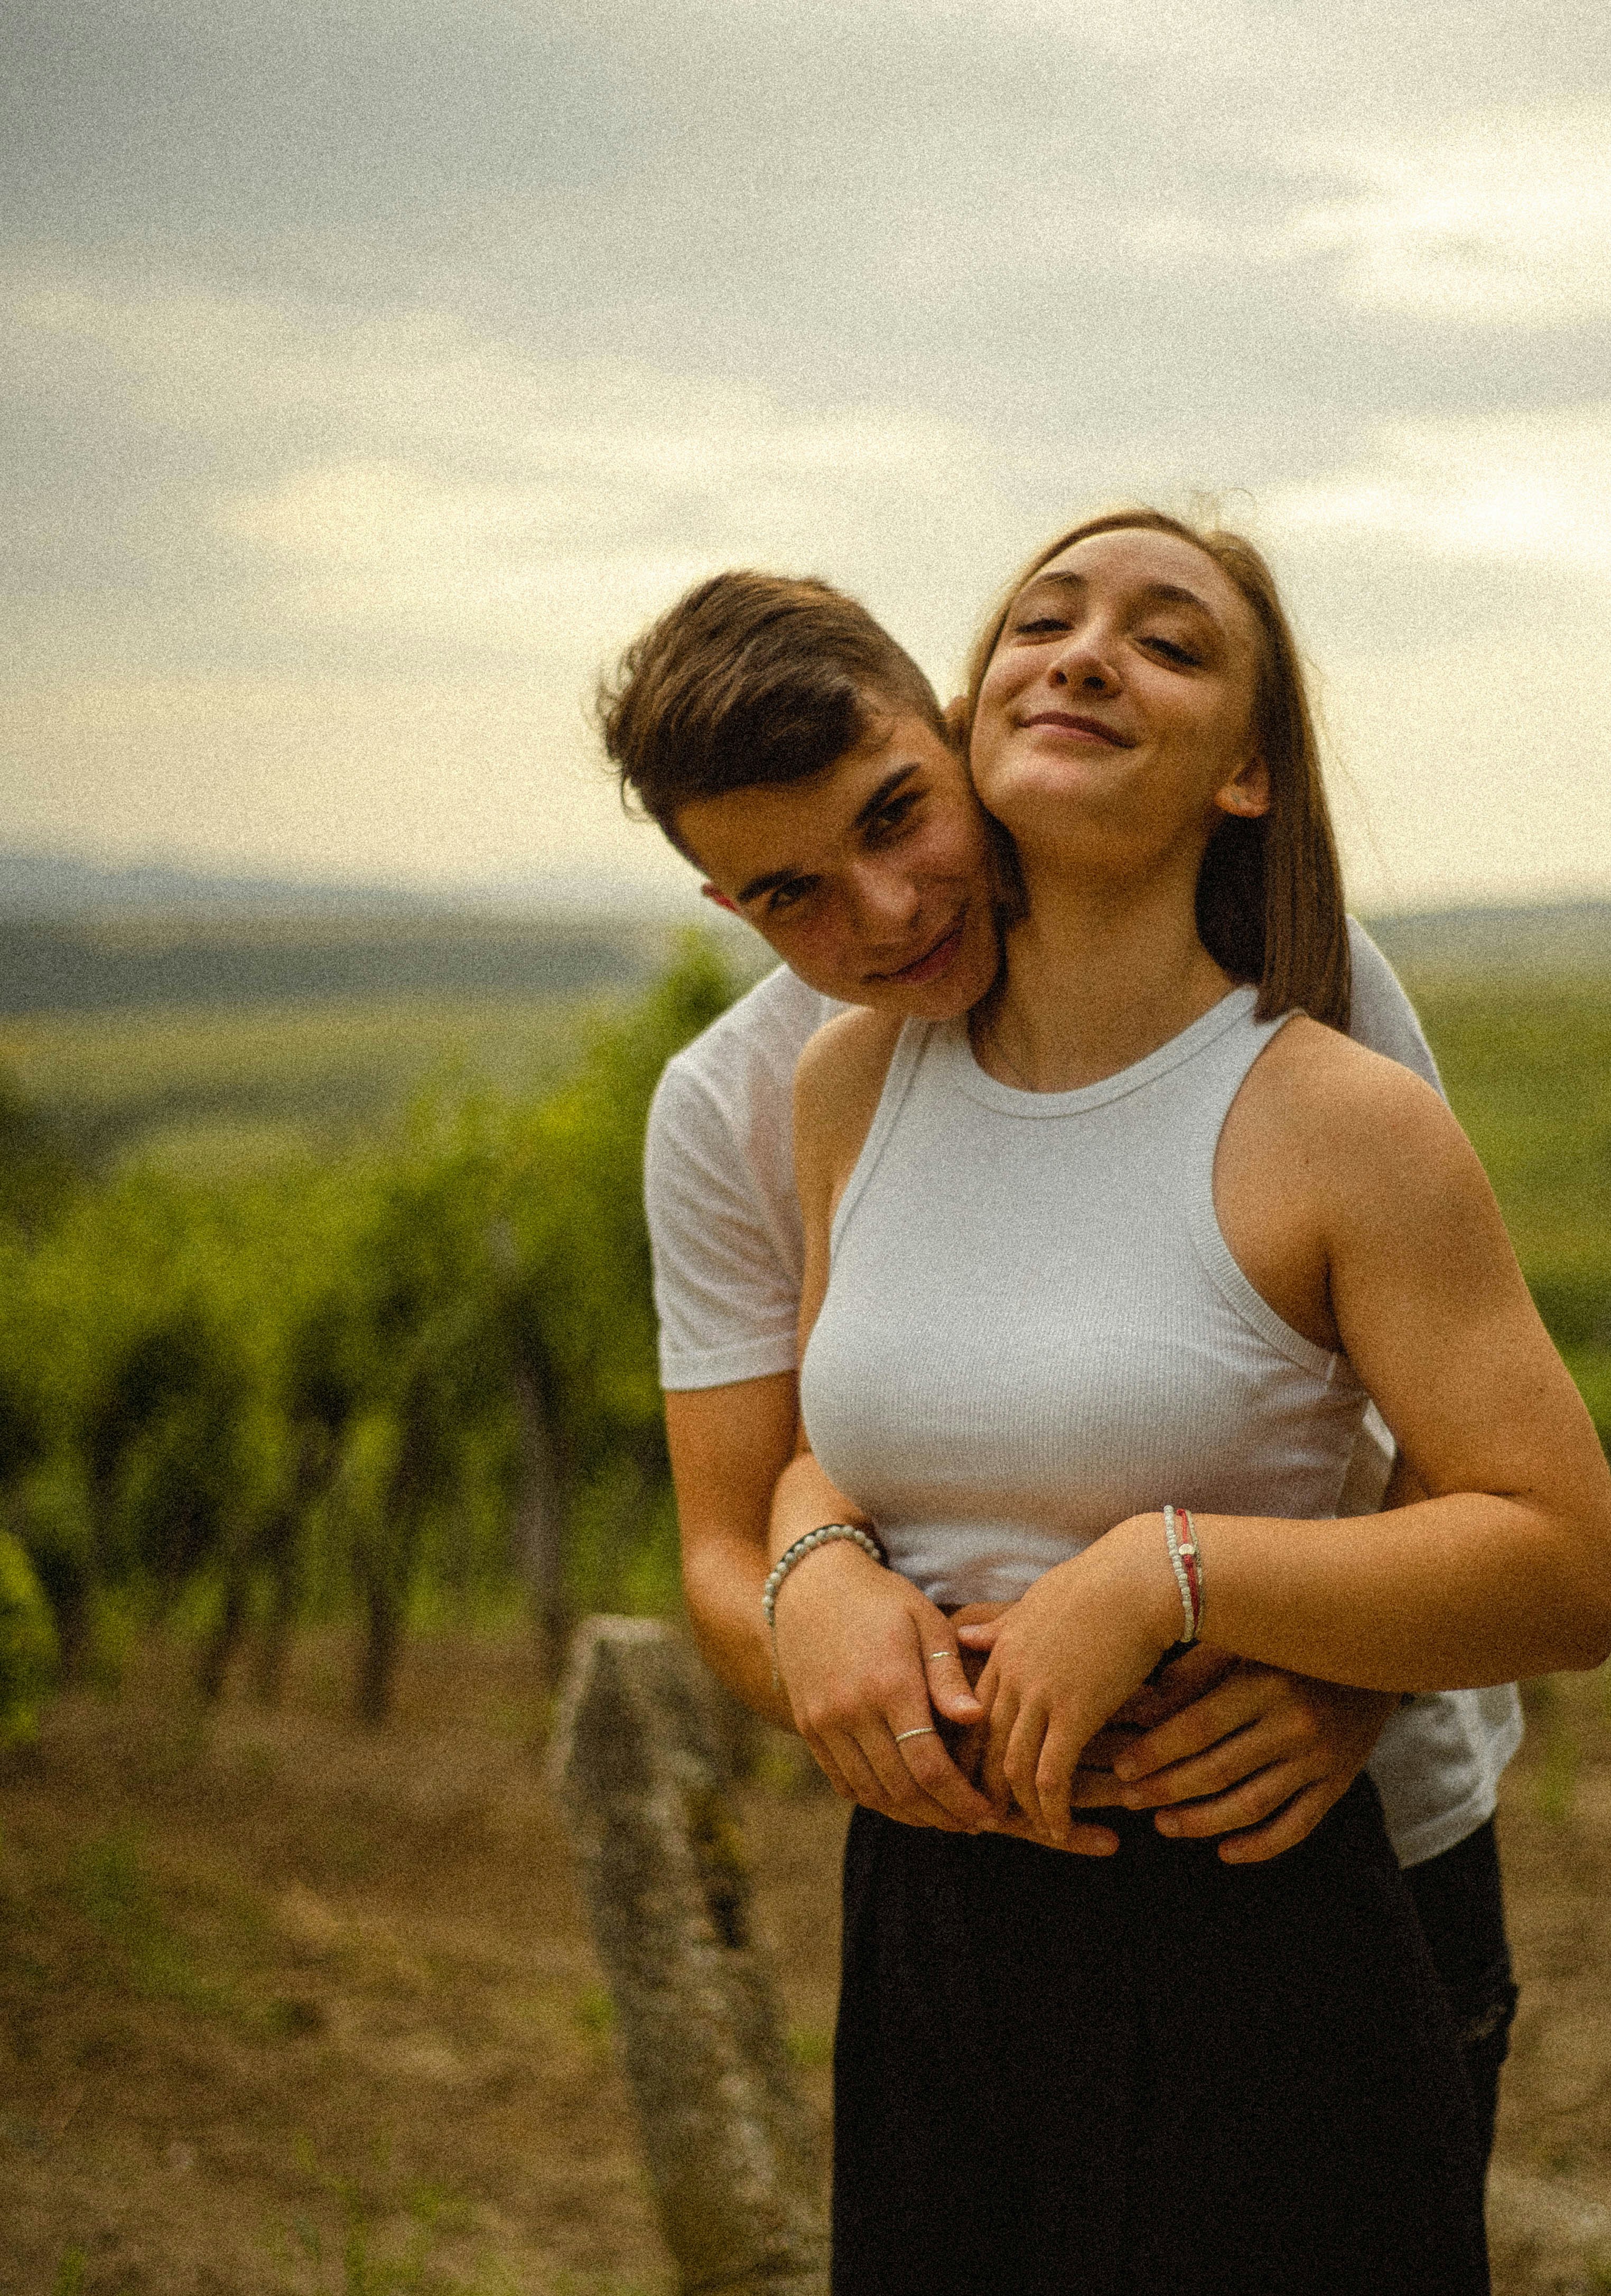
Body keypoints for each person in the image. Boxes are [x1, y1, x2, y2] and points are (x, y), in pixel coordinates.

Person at [770, 509, 1611, 2296]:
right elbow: (852, 1433)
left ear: (1247, 770)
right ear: (962, 720)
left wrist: (1178, 1571)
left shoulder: (1336, 1110)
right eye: (1041, 623)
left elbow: (1568, 1563)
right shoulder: (842, 1086)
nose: (1082, 656)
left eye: (1165, 643)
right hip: (937, 1928)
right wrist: (814, 1570)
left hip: (1251, 1922)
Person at [604, 571, 1526, 2151]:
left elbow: (1458, 1407)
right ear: (725, 906)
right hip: (985, 1893)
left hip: (1338, 1827)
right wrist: (816, 1608)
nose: (882, 910)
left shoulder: (1274, 955)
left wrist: (1348, 1686)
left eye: (899, 815)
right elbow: (727, 1528)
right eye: (790, 893)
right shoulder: (745, 1104)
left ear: (958, 730)